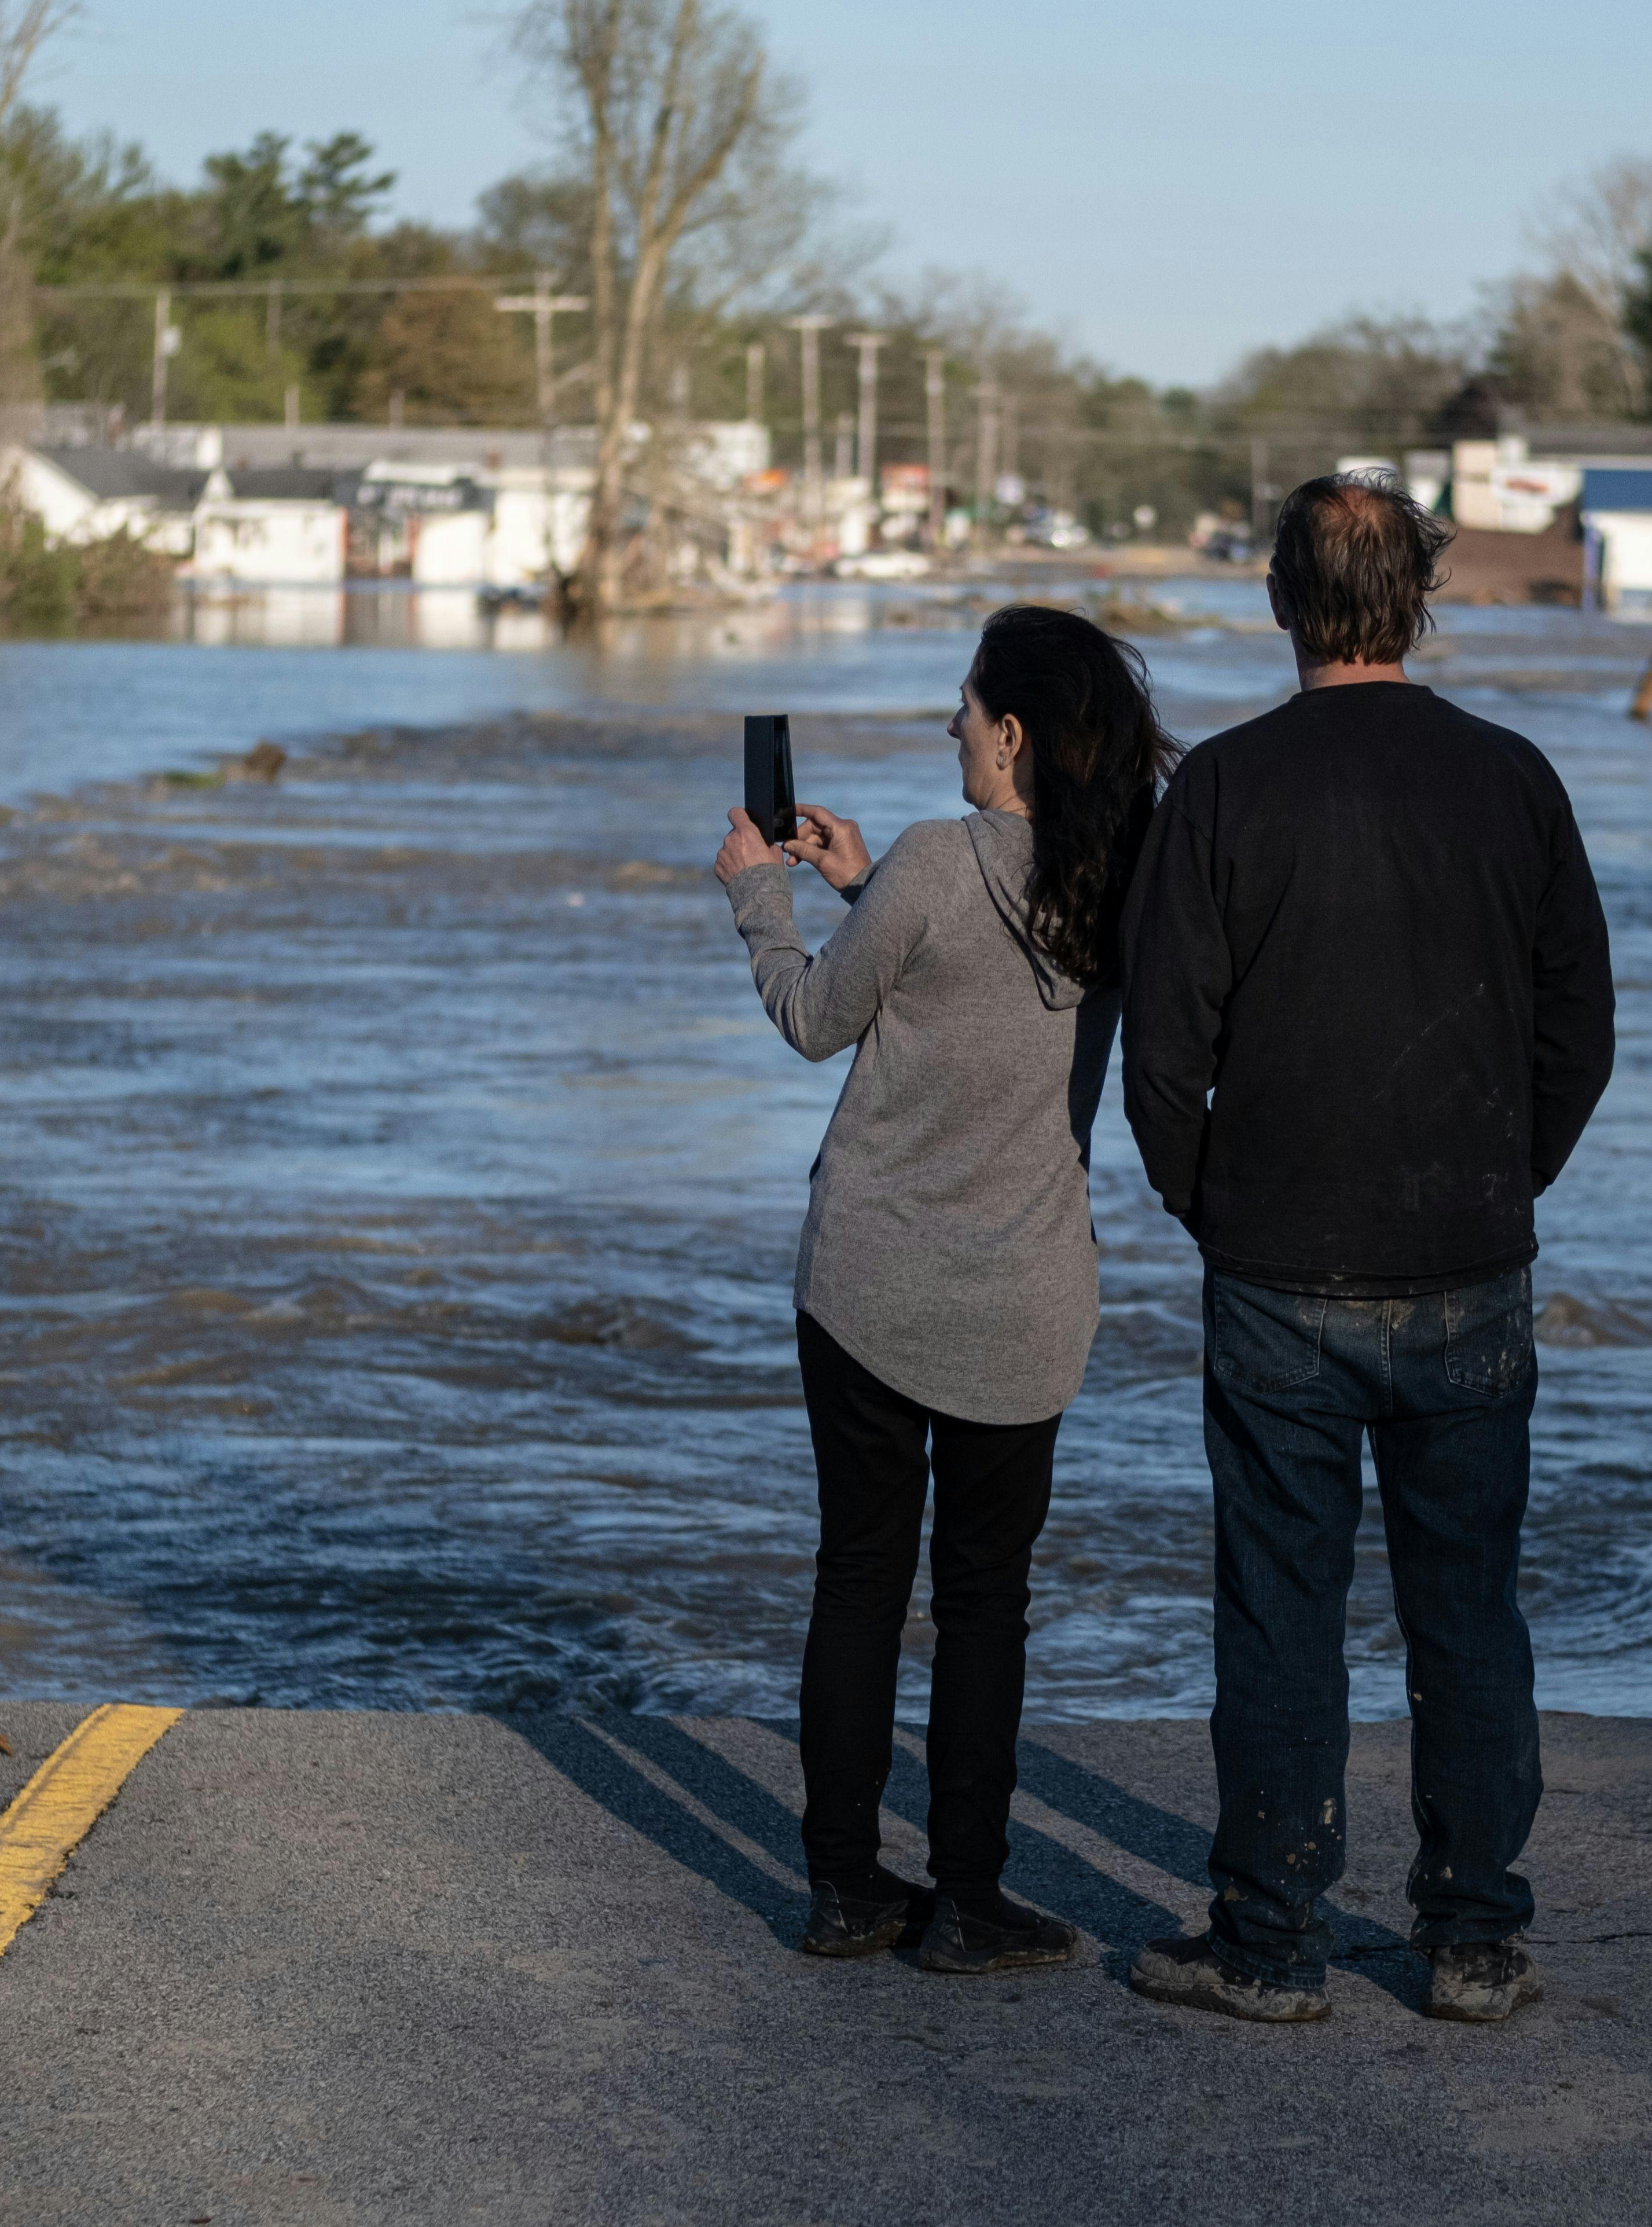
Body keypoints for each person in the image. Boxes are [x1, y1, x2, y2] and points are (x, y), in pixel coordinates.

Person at [1118, 474, 1616, 2026]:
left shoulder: (1220, 791)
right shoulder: (1514, 779)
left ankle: (1272, 1943)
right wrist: (1500, 1180)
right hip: (1468, 1257)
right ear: (1422, 602)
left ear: (1279, 602)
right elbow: (1577, 1032)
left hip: (1279, 1265)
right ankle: (1471, 1940)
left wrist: (1220, 1203)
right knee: (1466, 1609)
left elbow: (1158, 1050)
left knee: (1282, 1610)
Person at [711, 604, 1176, 1975]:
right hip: (1027, 1302)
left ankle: (849, 1889)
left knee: (859, 1583)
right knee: (988, 1604)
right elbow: (986, 987)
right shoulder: (1124, 881)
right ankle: (969, 1897)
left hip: (868, 1285)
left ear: (1014, 733)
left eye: (964, 711)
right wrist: (868, 892)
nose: (950, 729)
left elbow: (812, 1019)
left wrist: (761, 892)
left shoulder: (928, 864)